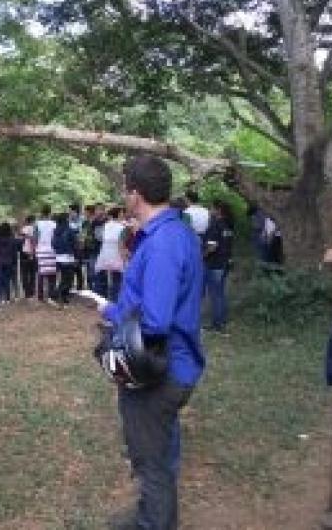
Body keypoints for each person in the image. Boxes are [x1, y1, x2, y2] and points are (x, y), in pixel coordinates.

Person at [97, 154, 205, 530]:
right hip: (172, 365)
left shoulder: (162, 243)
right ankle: (150, 516)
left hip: (161, 370)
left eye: (125, 189)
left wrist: (113, 314)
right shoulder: (175, 233)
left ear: (135, 194)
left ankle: (154, 522)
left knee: (152, 463)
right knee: (156, 455)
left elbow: (156, 322)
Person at [203, 200, 234, 332]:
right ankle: (222, 319)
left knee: (215, 295)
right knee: (221, 293)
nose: (210, 210)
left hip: (215, 263)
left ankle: (217, 324)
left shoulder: (215, 225)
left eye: (211, 208)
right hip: (225, 262)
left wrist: (202, 256)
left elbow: (212, 246)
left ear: (218, 210)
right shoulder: (228, 225)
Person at [95, 207, 126, 301]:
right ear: (118, 214)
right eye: (121, 213)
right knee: (117, 278)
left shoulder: (106, 225)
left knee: (104, 277)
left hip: (105, 253)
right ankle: (115, 299)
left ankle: (102, 298)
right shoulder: (122, 227)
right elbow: (123, 241)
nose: (123, 214)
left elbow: (100, 237)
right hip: (117, 253)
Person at [52, 212, 78, 307]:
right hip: (68, 258)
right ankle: (57, 296)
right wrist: (76, 255)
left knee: (63, 278)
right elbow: (75, 244)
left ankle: (63, 297)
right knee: (68, 280)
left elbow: (53, 244)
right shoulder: (69, 230)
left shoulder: (56, 230)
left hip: (58, 257)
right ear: (66, 219)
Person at [34, 205, 58, 304]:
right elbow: (55, 237)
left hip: (41, 250)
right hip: (52, 250)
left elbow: (35, 237)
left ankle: (40, 296)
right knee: (52, 273)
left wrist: (35, 248)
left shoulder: (37, 224)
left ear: (41, 213)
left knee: (41, 273)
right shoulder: (54, 224)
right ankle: (51, 295)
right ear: (50, 213)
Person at [0, 222, 17, 305]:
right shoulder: (12, 239)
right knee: (7, 280)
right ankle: (7, 298)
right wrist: (14, 262)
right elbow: (14, 252)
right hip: (9, 261)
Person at [19, 215, 37, 298]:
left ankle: (26, 292)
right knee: (32, 273)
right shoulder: (35, 229)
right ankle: (32, 291)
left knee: (25, 273)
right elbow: (33, 241)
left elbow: (21, 241)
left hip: (24, 253)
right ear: (33, 221)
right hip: (33, 252)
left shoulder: (23, 229)